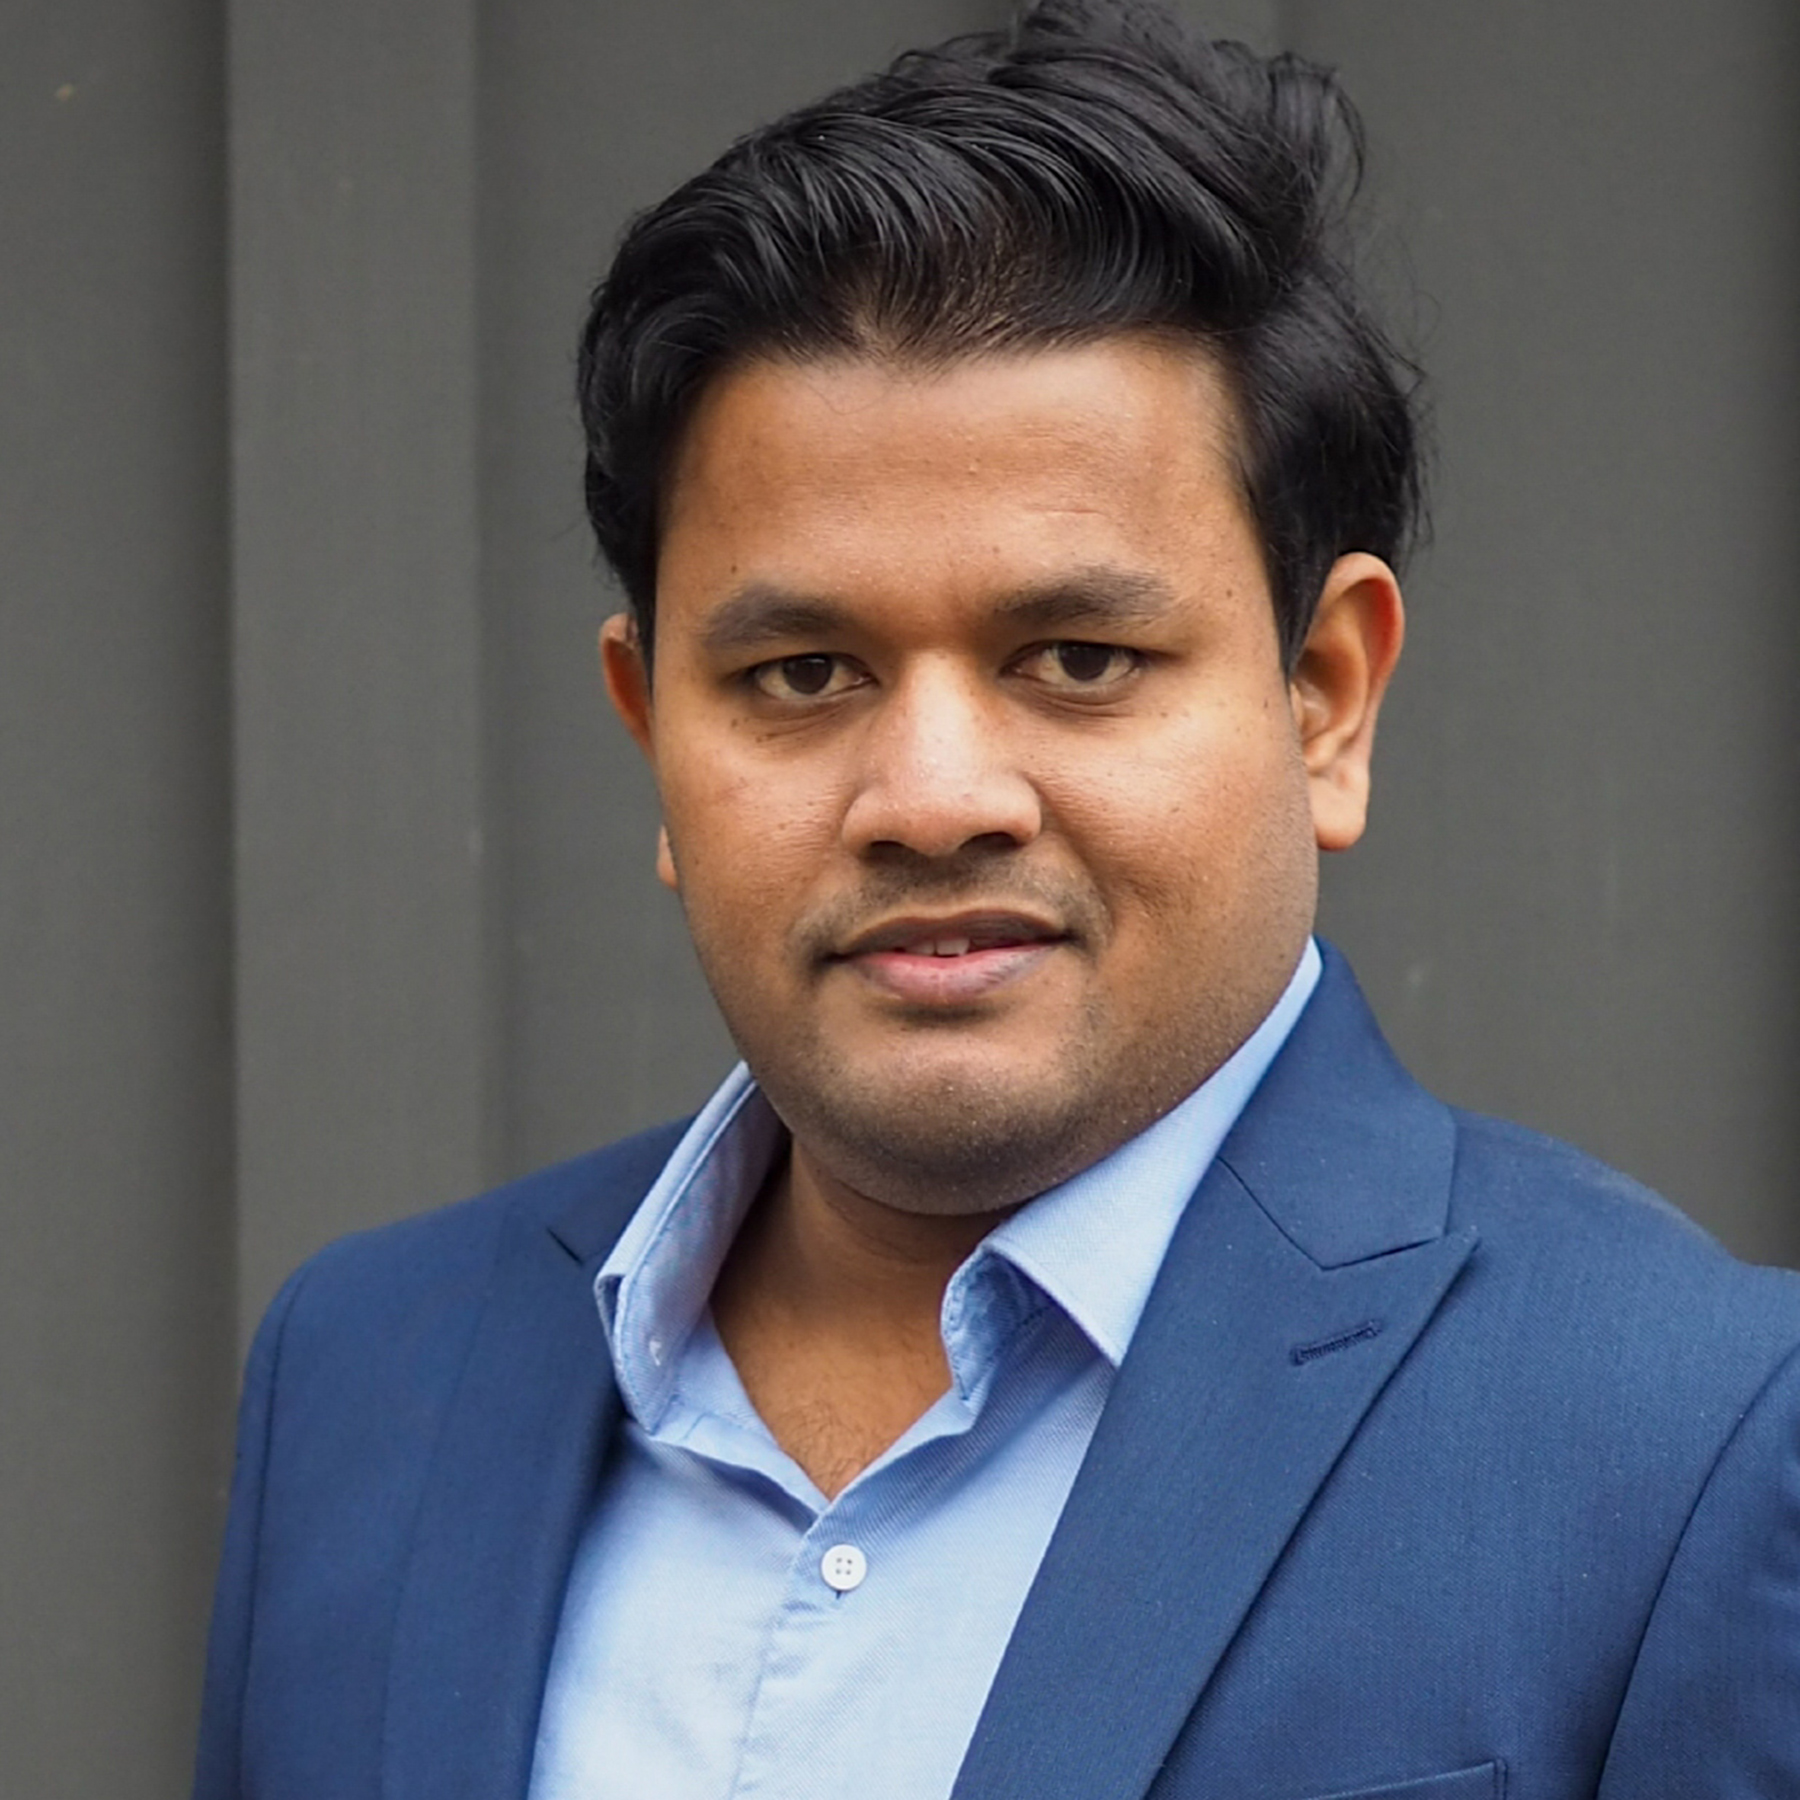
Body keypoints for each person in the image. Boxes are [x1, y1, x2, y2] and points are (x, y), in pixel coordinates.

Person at [191, 4, 1800, 1797]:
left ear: (1325, 698)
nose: (934, 800)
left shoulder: (1690, 1442)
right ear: (653, 732)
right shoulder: (367, 1379)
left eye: (1079, 657)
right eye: (802, 674)